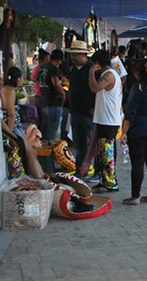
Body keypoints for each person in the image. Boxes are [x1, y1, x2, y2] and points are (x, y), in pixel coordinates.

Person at [121, 61, 147, 206]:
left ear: (138, 73)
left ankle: (135, 196)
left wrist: (124, 132)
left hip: (138, 129)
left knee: (137, 163)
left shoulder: (138, 88)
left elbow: (130, 112)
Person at [88, 49, 123, 192]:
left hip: (109, 120)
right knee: (102, 152)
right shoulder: (109, 74)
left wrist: (91, 72)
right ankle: (105, 180)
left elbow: (94, 88)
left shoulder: (108, 75)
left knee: (107, 152)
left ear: (97, 63)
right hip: (105, 118)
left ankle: (110, 181)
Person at [0, 65, 44, 179]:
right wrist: (11, 135)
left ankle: (41, 176)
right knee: (31, 153)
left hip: (15, 127)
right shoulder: (9, 91)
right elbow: (11, 115)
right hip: (14, 127)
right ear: (18, 79)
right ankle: (40, 178)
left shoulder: (6, 90)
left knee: (32, 152)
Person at [65, 41, 97, 180]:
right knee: (79, 144)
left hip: (88, 113)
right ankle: (81, 170)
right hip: (75, 111)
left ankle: (96, 171)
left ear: (83, 55)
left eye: (75, 55)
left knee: (92, 143)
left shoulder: (92, 69)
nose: (73, 57)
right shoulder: (72, 69)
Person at [37, 49, 66, 142]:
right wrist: (63, 94)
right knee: (54, 129)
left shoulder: (42, 67)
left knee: (46, 127)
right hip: (54, 101)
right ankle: (53, 150)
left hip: (44, 100)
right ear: (58, 60)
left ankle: (45, 149)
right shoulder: (53, 68)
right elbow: (56, 84)